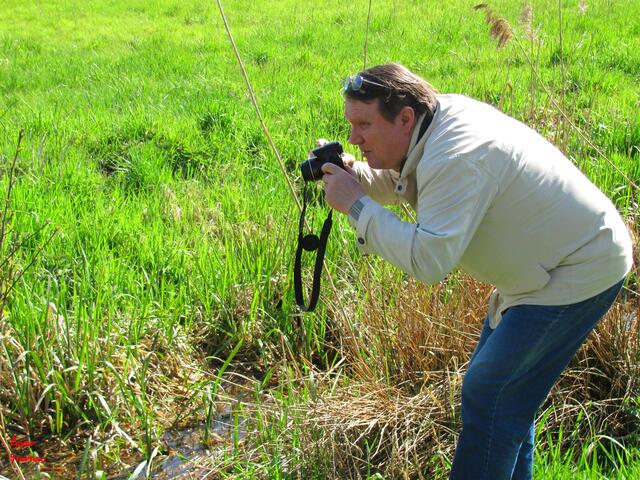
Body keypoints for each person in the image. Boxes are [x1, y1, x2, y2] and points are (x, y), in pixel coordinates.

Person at [319, 63, 633, 480]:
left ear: (405, 117)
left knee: (491, 394)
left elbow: (429, 260)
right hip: (542, 268)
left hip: (579, 266)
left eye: (364, 125)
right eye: (351, 125)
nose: (354, 137)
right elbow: (406, 181)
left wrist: (357, 206)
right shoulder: (432, 125)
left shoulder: (457, 154)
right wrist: (354, 176)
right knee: (504, 402)